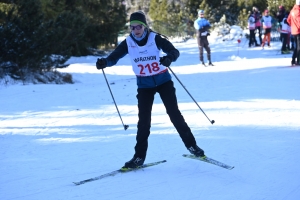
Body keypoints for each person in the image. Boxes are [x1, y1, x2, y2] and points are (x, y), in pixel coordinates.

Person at [96, 11, 206, 169]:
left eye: (138, 26)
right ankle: (139, 157)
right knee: (144, 122)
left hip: (163, 82)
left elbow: (174, 51)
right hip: (144, 86)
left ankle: (192, 146)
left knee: (174, 115)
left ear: (144, 26)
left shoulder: (155, 38)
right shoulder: (128, 42)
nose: (136, 30)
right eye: (132, 27)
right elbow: (114, 57)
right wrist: (104, 62)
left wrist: (169, 58)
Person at [287, 0, 300, 66]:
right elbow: (299, 22)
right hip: (298, 31)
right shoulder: (298, 11)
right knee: (299, 47)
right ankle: (298, 60)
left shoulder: (292, 10)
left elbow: (288, 20)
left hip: (294, 31)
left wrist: (292, 26)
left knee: (296, 46)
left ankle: (293, 60)